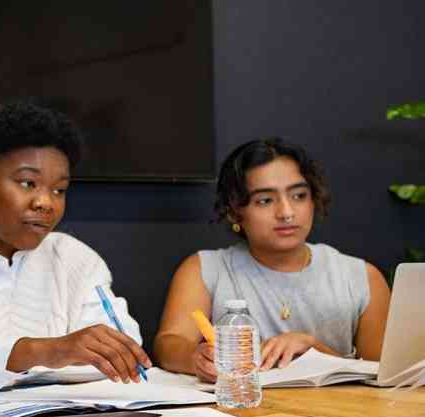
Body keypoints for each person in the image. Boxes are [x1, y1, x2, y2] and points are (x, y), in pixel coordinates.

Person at [0, 101, 151, 397]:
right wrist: (46, 351)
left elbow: (121, 350)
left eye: (58, 190)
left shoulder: (75, 259)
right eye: (28, 183)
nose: (45, 203)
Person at [154, 138, 390, 383]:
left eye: (299, 195)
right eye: (265, 200)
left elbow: (384, 374)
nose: (286, 213)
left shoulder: (360, 276)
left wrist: (315, 352)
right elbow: (169, 344)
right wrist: (196, 357)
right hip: (242, 415)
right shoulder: (205, 269)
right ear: (235, 210)